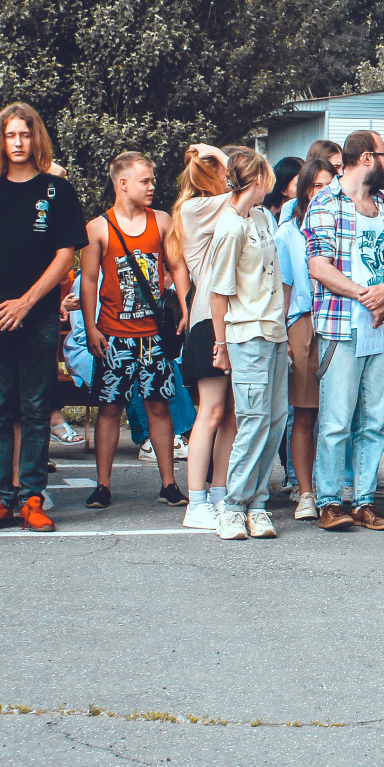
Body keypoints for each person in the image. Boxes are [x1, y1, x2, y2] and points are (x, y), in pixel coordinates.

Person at [0, 104, 85, 532]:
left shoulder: (57, 192)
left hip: (39, 316)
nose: (17, 142)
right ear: (0, 140)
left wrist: (26, 302)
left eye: (24, 135)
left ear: (36, 139)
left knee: (34, 409)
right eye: (10, 135)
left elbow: (66, 254)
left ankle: (31, 497)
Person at [304, 130, 384, 531]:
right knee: (335, 419)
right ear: (366, 158)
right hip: (341, 325)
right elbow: (318, 265)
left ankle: (364, 499)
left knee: (375, 418)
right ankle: (330, 500)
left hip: (382, 327)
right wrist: (366, 295)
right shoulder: (325, 202)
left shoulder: (383, 204)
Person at [80, 151, 189, 510]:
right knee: (110, 408)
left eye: (152, 180)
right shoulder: (98, 227)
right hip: (114, 333)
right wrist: (91, 327)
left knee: (159, 406)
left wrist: (186, 306)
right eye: (145, 180)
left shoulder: (161, 222)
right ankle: (102, 485)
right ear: (122, 183)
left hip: (152, 336)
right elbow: (89, 281)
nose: (152, 186)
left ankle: (169, 484)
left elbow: (177, 265)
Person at [204, 148, 290, 541]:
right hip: (246, 332)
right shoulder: (229, 227)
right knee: (252, 420)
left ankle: (257, 502)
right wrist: (220, 344)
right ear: (258, 181)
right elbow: (218, 294)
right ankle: (233, 506)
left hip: (274, 331)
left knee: (274, 420)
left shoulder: (260, 216)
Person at [169, 146, 236, 528]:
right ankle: (196, 501)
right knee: (209, 413)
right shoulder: (196, 209)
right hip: (209, 322)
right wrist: (219, 155)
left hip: (230, 321)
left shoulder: (215, 208)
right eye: (223, 173)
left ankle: (218, 492)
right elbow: (247, 187)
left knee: (231, 416)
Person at [277, 158, 332, 517]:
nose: (324, 193)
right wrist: (282, 337)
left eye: (330, 185)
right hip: (303, 323)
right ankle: (306, 489)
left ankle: (335, 490)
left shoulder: (344, 223)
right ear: (303, 191)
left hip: (341, 320)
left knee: (339, 415)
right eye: (316, 186)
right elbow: (283, 290)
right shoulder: (287, 233)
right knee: (305, 414)